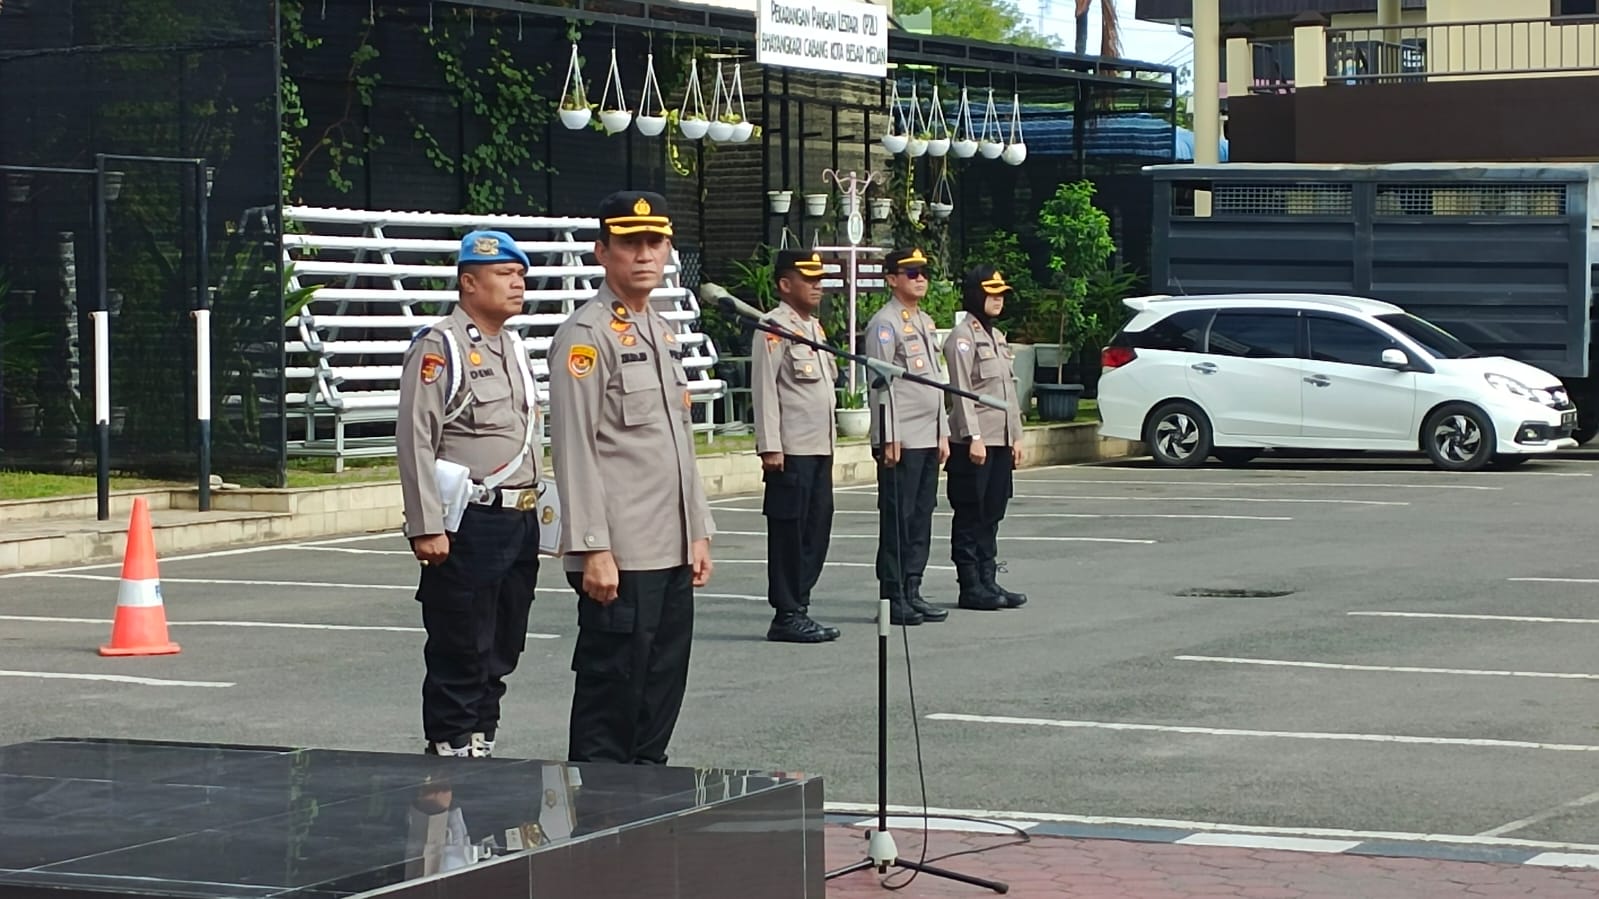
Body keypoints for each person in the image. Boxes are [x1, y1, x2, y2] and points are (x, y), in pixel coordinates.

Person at [548, 190, 716, 765]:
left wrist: (697, 529)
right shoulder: (586, 336)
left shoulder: (660, 332)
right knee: (611, 699)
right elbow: (574, 449)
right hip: (621, 552)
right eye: (629, 243)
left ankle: (644, 813)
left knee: (660, 692)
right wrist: (592, 548)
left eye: (655, 242)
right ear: (602, 251)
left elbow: (677, 445)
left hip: (669, 548)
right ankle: (596, 826)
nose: (644, 254)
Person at [397, 230, 542, 759]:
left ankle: (482, 739)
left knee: (503, 644)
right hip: (469, 521)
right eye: (506, 275)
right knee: (462, 641)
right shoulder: (441, 346)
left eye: (521, 275)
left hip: (518, 520)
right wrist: (426, 524)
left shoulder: (514, 348)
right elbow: (415, 436)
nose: (518, 284)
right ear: (468, 282)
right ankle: (450, 748)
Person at [751, 249, 841, 644]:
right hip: (791, 450)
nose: (817, 285)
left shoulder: (814, 328)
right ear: (786, 284)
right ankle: (787, 612)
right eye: (809, 279)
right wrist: (770, 446)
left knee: (817, 527)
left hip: (818, 447)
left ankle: (800, 605)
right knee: (790, 531)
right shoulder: (774, 326)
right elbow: (765, 389)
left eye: (820, 279)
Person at [863, 247, 950, 626]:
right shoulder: (885, 324)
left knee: (922, 516)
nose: (920, 277)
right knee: (898, 517)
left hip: (928, 435)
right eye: (910, 271)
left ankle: (913, 587)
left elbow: (936, 381)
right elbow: (880, 385)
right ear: (891, 278)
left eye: (923, 271)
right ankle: (893, 592)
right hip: (902, 438)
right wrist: (888, 436)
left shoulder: (926, 322)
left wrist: (943, 432)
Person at [943, 266, 1028, 611]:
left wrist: (1017, 437)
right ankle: (970, 584)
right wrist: (973, 435)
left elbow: (1009, 391)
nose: (998, 300)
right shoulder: (963, 337)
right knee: (970, 513)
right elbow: (961, 391)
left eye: (1001, 294)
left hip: (1000, 440)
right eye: (991, 293)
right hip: (973, 444)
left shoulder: (996, 336)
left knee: (993, 512)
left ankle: (988, 579)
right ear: (975, 295)